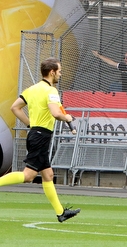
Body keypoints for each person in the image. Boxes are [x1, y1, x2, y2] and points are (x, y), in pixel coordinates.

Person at [0, 58, 80, 223]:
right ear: (52, 72)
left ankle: (61, 213)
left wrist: (30, 123)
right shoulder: (51, 91)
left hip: (36, 134)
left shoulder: (32, 89)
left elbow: (14, 107)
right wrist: (67, 116)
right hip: (41, 136)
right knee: (28, 175)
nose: (60, 74)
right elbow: (56, 113)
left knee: (48, 174)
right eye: (59, 71)